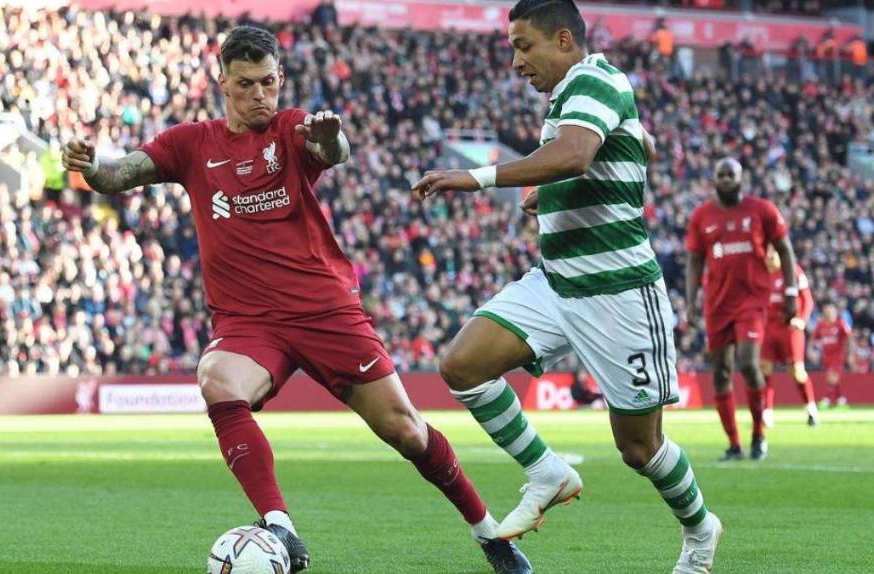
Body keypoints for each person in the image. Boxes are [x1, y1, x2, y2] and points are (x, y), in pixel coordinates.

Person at [61, 25, 531, 574]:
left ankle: (490, 534)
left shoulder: (292, 129)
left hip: (323, 309)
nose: (260, 95)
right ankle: (279, 526)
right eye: (245, 84)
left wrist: (330, 138)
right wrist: (90, 166)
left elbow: (333, 150)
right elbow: (119, 174)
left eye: (268, 82)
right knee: (216, 379)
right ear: (222, 83)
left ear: (280, 78)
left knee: (405, 430)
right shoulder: (190, 143)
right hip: (248, 321)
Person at [411, 2, 721, 572]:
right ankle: (546, 471)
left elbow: (576, 154)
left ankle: (701, 530)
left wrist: (478, 177)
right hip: (557, 282)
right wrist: (559, 187)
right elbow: (635, 146)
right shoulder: (574, 96)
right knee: (462, 366)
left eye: (523, 46)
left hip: (619, 292)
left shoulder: (595, 79)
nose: (515, 62)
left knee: (639, 448)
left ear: (562, 40)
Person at [685, 158, 800, 462]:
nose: (726, 179)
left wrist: (791, 292)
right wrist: (690, 302)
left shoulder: (762, 210)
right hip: (717, 304)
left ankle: (758, 435)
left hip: (752, 300)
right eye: (721, 174)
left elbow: (785, 249)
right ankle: (734, 444)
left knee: (749, 364)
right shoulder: (701, 216)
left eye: (731, 174)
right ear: (714, 179)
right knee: (721, 373)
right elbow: (695, 261)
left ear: (741, 178)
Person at [759, 245, 819, 427]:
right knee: (764, 368)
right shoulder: (760, 273)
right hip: (768, 327)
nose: (769, 260)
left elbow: (807, 299)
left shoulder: (793, 270)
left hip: (789, 327)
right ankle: (767, 411)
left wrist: (802, 319)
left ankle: (810, 408)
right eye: (767, 256)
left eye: (772, 256)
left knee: (796, 372)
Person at [814, 302, 854, 409]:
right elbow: (815, 339)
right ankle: (841, 401)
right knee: (831, 378)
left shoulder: (840, 324)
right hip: (826, 356)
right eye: (826, 312)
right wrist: (812, 351)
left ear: (835, 313)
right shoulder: (820, 325)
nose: (828, 314)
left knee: (832, 377)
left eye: (830, 312)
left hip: (838, 355)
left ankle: (826, 400)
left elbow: (850, 337)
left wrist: (850, 353)